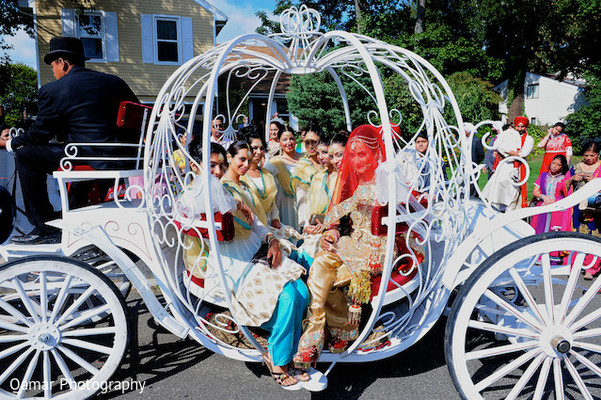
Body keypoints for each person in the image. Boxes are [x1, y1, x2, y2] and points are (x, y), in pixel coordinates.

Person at [293, 125, 422, 368]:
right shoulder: (359, 184)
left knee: (329, 278)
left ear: (376, 155)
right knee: (320, 262)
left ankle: (340, 330)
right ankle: (313, 336)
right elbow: (337, 211)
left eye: (361, 154)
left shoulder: (387, 181)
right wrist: (329, 229)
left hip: (379, 249)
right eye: (352, 155)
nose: (355, 160)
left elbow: (403, 214)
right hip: (352, 244)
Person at [0, 37, 138, 244]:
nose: (53, 71)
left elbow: (40, 134)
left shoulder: (54, 90)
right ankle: (73, 217)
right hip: (126, 158)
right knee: (72, 153)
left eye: (53, 65)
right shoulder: (116, 82)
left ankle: (44, 225)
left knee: (26, 154)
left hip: (90, 157)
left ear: (62, 62)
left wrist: (13, 142)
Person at [218, 140, 309, 386]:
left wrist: (272, 241)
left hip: (259, 249)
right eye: (241, 159)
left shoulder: (240, 186)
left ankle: (291, 351)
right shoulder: (223, 189)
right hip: (239, 259)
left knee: (301, 290)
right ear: (229, 158)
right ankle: (278, 360)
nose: (247, 164)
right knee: (288, 295)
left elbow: (258, 223)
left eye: (249, 159)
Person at [296, 133, 346, 268]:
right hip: (315, 228)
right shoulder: (318, 176)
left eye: (325, 153)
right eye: (319, 154)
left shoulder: (342, 178)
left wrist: (327, 227)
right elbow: (308, 203)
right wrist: (307, 225)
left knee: (314, 255)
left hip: (333, 230)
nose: (321, 157)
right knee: (300, 253)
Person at [558, 141, 601, 279]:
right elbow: (562, 186)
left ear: (598, 154)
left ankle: (592, 268)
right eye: (586, 155)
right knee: (576, 237)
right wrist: (571, 179)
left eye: (592, 155)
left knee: (595, 236)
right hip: (576, 209)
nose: (589, 158)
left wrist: (596, 180)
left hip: (596, 209)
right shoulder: (575, 168)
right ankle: (575, 265)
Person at [264, 129, 302, 230]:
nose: (289, 142)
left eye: (292, 139)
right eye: (284, 139)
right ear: (279, 142)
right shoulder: (274, 162)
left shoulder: (304, 159)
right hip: (284, 204)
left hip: (303, 203)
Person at [291, 125, 324, 230]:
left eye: (314, 142)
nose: (310, 146)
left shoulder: (329, 163)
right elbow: (301, 197)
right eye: (307, 142)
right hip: (311, 218)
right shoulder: (303, 166)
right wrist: (305, 223)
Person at [530, 155, 570, 234]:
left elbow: (567, 196)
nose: (554, 166)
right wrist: (543, 197)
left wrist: (552, 202)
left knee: (553, 233)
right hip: (543, 205)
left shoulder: (564, 178)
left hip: (557, 207)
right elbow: (535, 192)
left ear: (562, 167)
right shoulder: (543, 175)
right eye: (553, 163)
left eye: (558, 165)